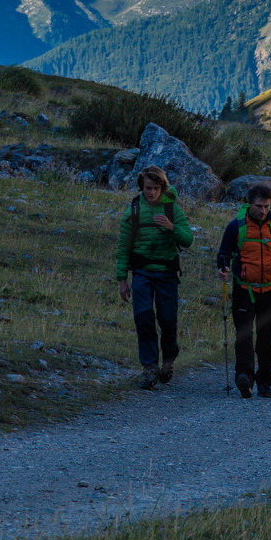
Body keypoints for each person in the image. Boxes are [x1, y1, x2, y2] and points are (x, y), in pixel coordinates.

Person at [215, 180, 271, 398]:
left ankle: (264, 380)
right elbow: (224, 253)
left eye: (267, 206)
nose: (263, 211)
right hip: (244, 290)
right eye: (259, 206)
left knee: (267, 339)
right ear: (249, 203)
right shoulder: (236, 226)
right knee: (244, 335)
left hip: (270, 290)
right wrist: (223, 268)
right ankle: (245, 378)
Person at [114, 165, 193, 389]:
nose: (151, 192)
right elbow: (124, 247)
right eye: (148, 188)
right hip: (141, 273)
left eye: (156, 188)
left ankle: (168, 361)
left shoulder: (172, 209)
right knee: (144, 319)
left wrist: (171, 227)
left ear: (162, 187)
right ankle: (149, 368)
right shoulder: (134, 211)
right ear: (142, 187)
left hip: (167, 274)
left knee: (168, 320)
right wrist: (122, 280)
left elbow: (188, 240)